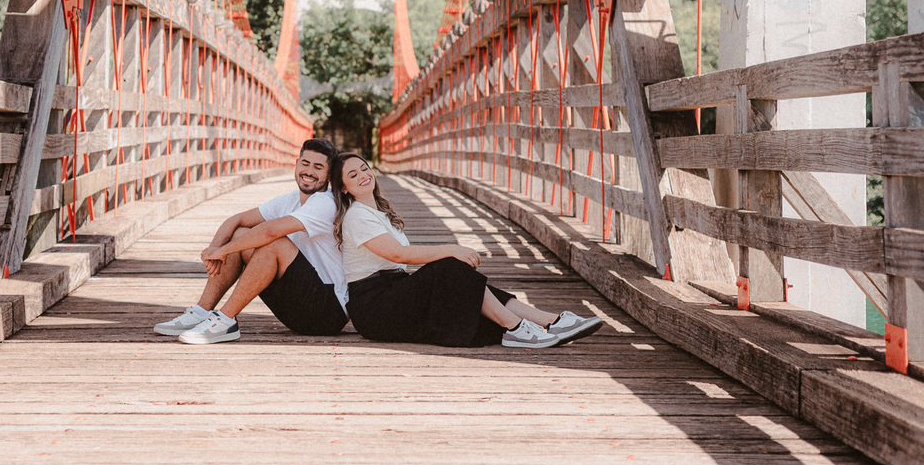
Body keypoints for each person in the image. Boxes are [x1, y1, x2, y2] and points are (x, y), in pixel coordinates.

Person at [331, 152, 602, 349]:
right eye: (353, 175)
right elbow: (399, 255)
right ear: (344, 188)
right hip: (375, 308)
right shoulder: (357, 216)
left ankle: (551, 321)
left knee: (473, 299)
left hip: (394, 294)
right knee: (450, 267)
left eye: (365, 168)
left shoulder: (378, 212)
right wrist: (452, 248)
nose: (363, 176)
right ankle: (517, 328)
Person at [153, 138, 348, 344]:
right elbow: (236, 220)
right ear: (297, 163)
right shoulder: (290, 200)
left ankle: (226, 319)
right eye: (305, 163)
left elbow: (271, 231)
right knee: (240, 235)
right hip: (297, 311)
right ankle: (202, 312)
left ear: (329, 175)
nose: (309, 171)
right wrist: (215, 249)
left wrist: (223, 250)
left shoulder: (326, 202)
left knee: (274, 243)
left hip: (328, 312)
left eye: (318, 167)